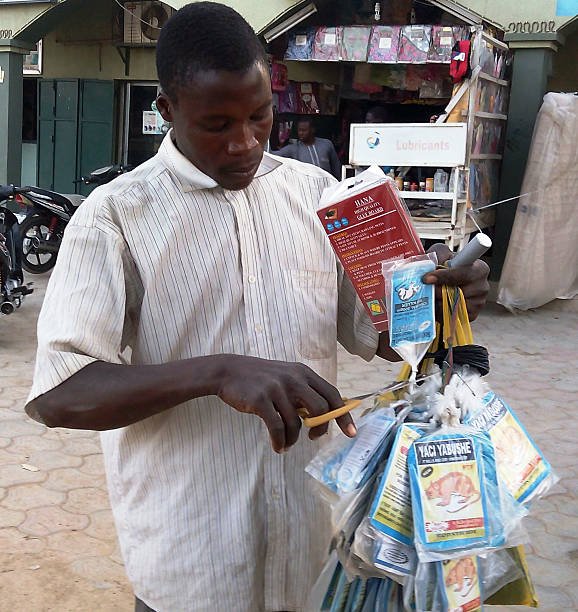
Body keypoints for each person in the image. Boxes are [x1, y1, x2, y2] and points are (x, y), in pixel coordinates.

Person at [25, 3, 489, 611]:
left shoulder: (319, 198)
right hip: (191, 565)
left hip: (311, 554)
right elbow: (60, 396)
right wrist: (215, 372)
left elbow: (385, 334)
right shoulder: (116, 216)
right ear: (167, 111)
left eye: (260, 116)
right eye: (216, 125)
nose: (243, 142)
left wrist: (439, 300)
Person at [274, 117, 342, 179]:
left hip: (328, 187)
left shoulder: (326, 144)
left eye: (304, 130)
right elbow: (273, 156)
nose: (301, 133)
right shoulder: (293, 149)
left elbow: (336, 168)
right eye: (299, 130)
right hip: (307, 188)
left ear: (313, 130)